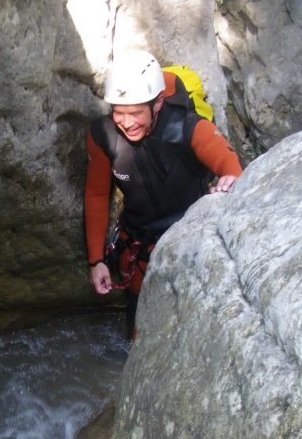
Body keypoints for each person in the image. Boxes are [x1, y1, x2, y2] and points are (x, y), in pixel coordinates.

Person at [85, 50, 243, 337]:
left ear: (157, 103)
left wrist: (229, 180)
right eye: (119, 111)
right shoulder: (103, 135)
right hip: (139, 247)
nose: (126, 122)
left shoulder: (190, 128)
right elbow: (97, 194)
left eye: (135, 113)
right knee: (137, 339)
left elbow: (234, 170)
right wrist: (96, 261)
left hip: (189, 243)